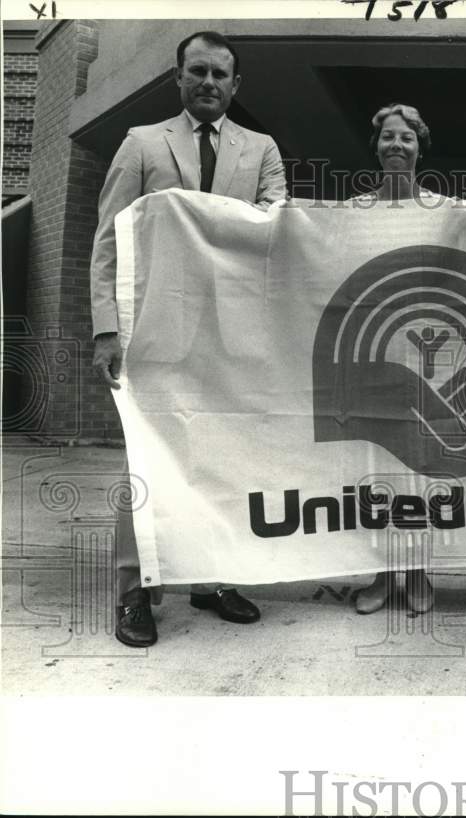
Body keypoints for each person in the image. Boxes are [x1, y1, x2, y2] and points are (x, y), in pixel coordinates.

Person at [90, 31, 288, 647]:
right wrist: (105, 330)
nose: (208, 82)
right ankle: (134, 594)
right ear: (178, 78)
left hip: (230, 341)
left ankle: (214, 579)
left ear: (236, 85)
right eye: (197, 71)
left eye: (220, 74)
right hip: (154, 333)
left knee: (221, 461)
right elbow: (108, 240)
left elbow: (276, 232)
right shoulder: (141, 144)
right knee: (147, 464)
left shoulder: (262, 150)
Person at [350, 102, 442, 616]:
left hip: (426, 358)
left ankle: (419, 572)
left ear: (419, 146)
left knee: (421, 470)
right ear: (377, 145)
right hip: (372, 356)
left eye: (406, 138)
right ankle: (383, 575)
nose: (396, 146)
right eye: (388, 137)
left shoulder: (442, 209)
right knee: (376, 470)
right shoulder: (356, 211)